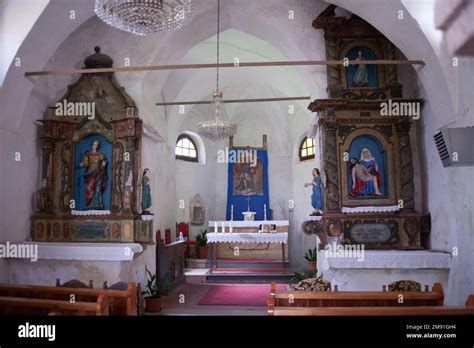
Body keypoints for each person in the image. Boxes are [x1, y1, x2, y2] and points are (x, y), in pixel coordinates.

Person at [80, 140, 107, 209]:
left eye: (96, 145)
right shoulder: (88, 154)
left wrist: (103, 165)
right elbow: (86, 164)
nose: (94, 146)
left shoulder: (100, 154)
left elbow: (103, 162)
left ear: (97, 146)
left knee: (98, 188)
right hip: (90, 172)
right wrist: (82, 164)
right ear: (92, 145)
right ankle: (89, 204)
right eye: (94, 145)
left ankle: (97, 204)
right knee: (89, 188)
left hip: (98, 172)